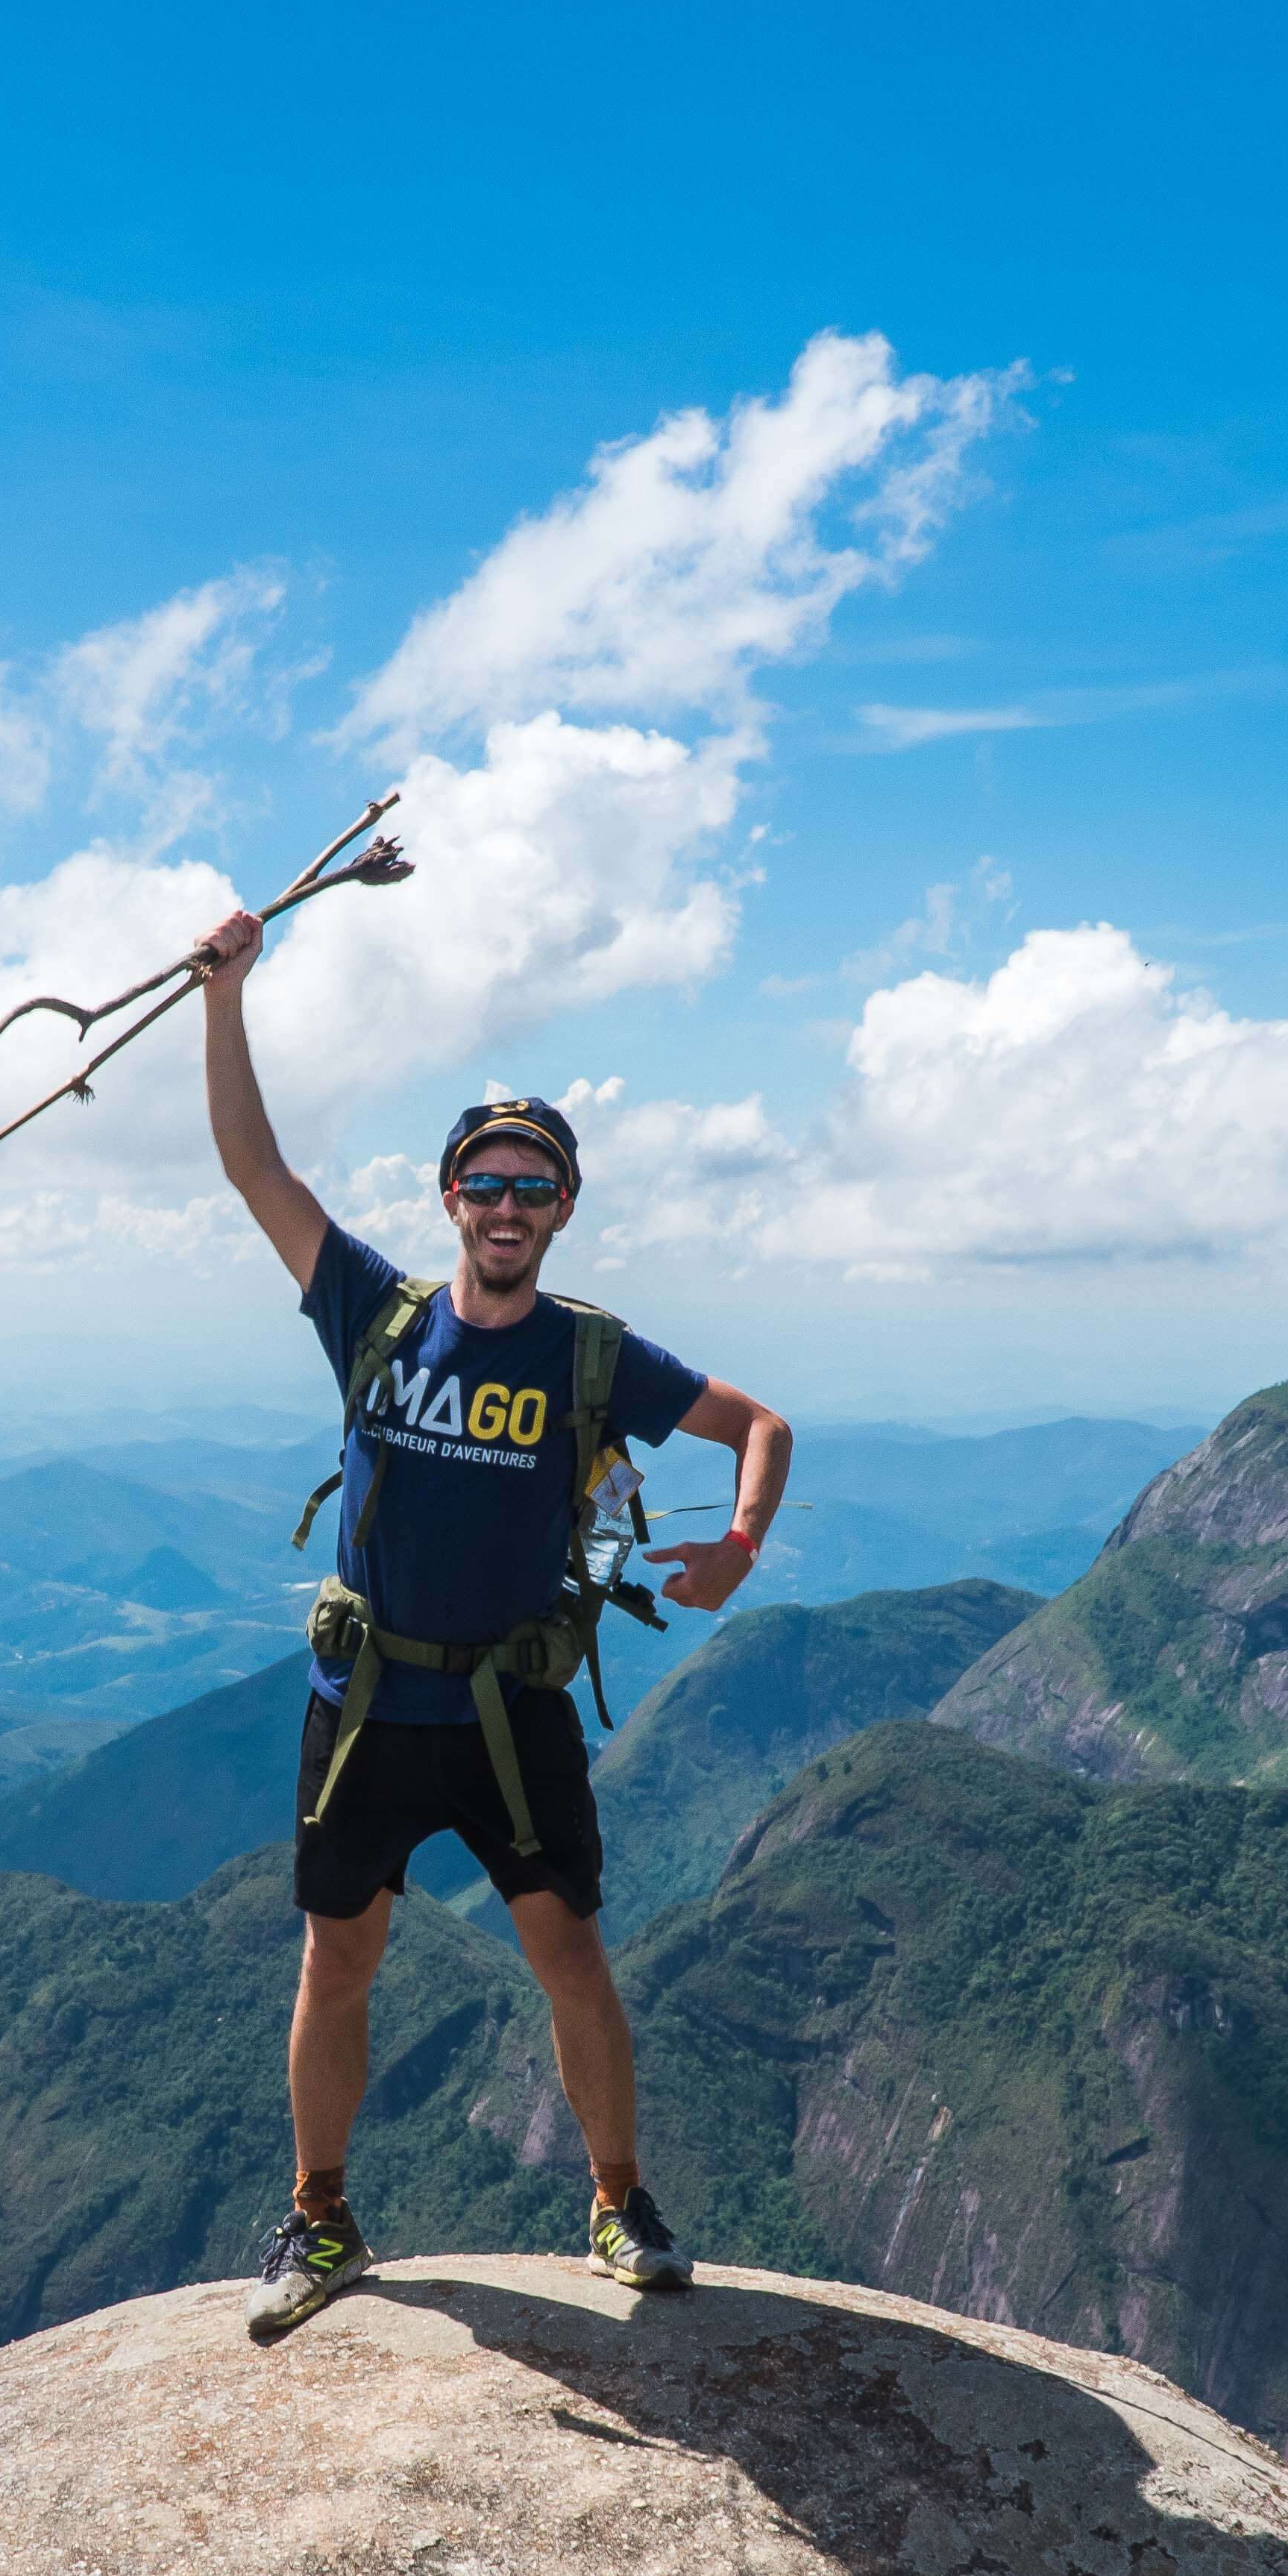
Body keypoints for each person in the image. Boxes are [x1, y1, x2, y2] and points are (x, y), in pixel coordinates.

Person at [193, 901, 794, 2340]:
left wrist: (742, 1547)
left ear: (562, 1210)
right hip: (369, 1706)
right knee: (337, 1958)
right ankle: (321, 2213)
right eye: (487, 1185)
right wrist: (226, 998)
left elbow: (760, 1422)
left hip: (509, 1714)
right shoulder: (376, 1313)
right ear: (452, 1199)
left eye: (534, 1187)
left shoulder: (597, 1353)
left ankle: (615, 2201)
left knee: (570, 1954)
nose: (508, 1208)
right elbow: (253, 1167)